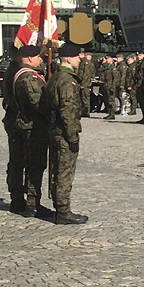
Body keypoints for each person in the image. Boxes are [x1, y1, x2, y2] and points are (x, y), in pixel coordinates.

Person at [45, 43, 89, 224]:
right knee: (64, 171)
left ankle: (59, 206)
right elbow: (67, 110)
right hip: (64, 132)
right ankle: (63, 211)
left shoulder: (56, 76)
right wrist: (72, 136)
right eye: (78, 56)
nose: (80, 59)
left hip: (55, 129)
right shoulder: (67, 80)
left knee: (58, 169)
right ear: (69, 59)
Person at [4, 44, 50, 216]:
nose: (41, 59)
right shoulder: (28, 77)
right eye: (38, 57)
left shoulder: (13, 71)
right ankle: (32, 203)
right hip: (30, 125)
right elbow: (37, 103)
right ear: (30, 58)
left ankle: (16, 200)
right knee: (34, 164)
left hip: (15, 122)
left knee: (16, 163)